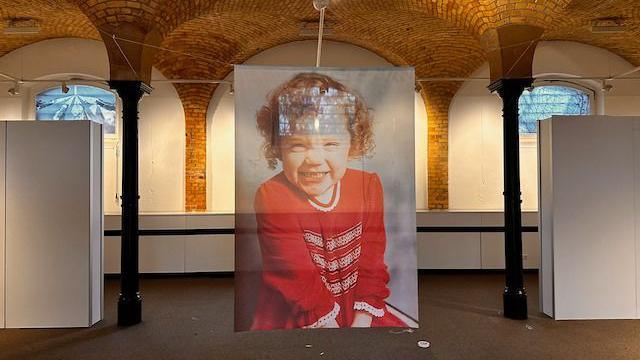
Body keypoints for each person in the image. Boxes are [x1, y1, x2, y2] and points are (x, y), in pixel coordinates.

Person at [251, 72, 406, 330]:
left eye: (331, 143)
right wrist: (332, 330)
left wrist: (363, 318)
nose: (314, 158)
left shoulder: (368, 186)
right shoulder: (272, 195)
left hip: (357, 307)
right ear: (278, 148)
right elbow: (297, 275)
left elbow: (372, 260)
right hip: (301, 311)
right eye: (298, 145)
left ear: (352, 144)